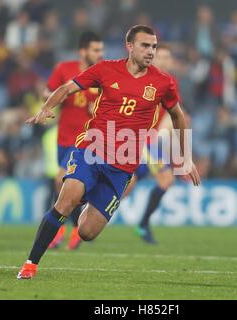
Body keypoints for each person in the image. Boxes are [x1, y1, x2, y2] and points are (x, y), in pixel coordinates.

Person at [17, 25, 200, 279]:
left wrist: (185, 158)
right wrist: (46, 107)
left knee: (87, 233)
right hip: (91, 150)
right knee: (65, 200)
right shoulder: (105, 69)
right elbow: (67, 88)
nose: (151, 51)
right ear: (130, 46)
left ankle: (84, 200)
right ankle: (30, 264)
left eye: (154, 46)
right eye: (145, 45)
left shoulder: (163, 82)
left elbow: (178, 116)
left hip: (123, 166)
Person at [44, 31, 104, 251]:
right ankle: (75, 229)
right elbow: (48, 90)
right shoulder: (64, 69)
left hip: (86, 139)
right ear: (83, 51)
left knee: (61, 180)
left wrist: (99, 108)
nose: (100, 54)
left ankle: (56, 232)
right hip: (64, 137)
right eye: (96, 50)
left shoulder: (103, 73)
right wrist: (48, 102)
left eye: (101, 50)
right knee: (67, 186)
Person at [122, 44, 180, 244]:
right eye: (160, 57)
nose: (164, 61)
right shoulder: (143, 78)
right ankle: (80, 214)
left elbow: (170, 114)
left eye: (167, 57)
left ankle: (143, 223)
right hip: (136, 138)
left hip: (150, 141)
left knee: (129, 187)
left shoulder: (170, 83)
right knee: (160, 181)